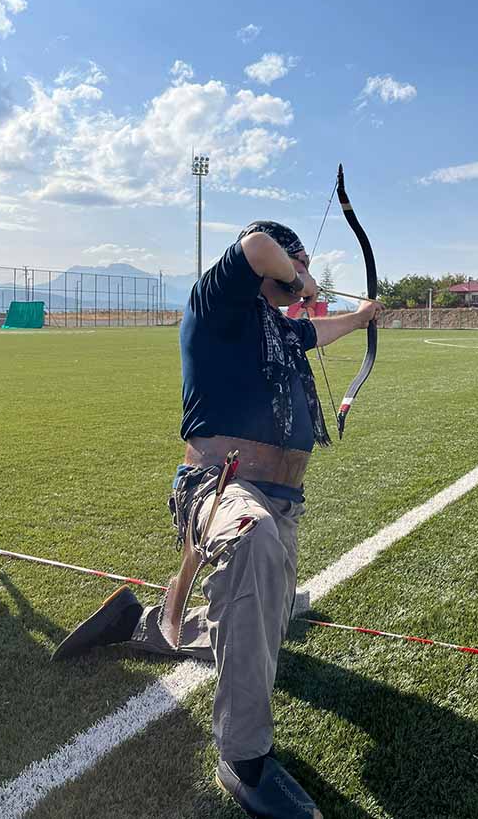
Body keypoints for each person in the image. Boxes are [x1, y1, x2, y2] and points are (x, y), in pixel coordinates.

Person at [52, 221, 382, 818]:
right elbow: (258, 243)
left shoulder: (277, 328)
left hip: (282, 498)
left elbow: (316, 330)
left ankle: (141, 624)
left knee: (264, 625)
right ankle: (244, 758)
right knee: (252, 550)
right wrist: (302, 275)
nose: (294, 282)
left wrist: (361, 318)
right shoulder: (220, 303)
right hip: (220, 486)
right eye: (290, 269)